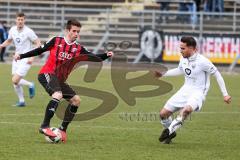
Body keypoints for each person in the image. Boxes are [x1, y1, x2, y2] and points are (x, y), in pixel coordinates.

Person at [13, 19, 113, 142]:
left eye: (78, 32)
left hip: (60, 80)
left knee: (76, 101)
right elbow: (39, 50)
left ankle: (62, 129)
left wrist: (105, 55)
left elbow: (94, 57)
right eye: (74, 31)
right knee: (57, 94)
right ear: (67, 30)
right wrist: (21, 56)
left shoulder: (78, 48)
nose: (76, 34)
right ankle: (44, 126)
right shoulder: (56, 41)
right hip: (47, 73)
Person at [155, 36, 231, 144]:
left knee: (186, 110)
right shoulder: (183, 58)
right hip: (185, 90)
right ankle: (171, 133)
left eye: (183, 48)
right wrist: (163, 74)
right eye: (180, 48)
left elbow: (217, 74)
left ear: (192, 48)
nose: (180, 51)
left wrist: (225, 94)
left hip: (198, 92)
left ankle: (169, 130)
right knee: (163, 114)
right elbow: (180, 70)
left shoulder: (203, 61)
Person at [0, 12, 41, 106]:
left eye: (22, 19)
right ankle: (22, 101)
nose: (20, 21)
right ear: (16, 20)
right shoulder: (12, 30)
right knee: (15, 83)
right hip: (17, 58)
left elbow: (38, 43)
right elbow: (9, 41)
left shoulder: (28, 31)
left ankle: (30, 84)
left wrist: (32, 57)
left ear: (24, 20)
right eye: (18, 19)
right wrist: (1, 45)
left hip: (26, 59)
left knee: (15, 80)